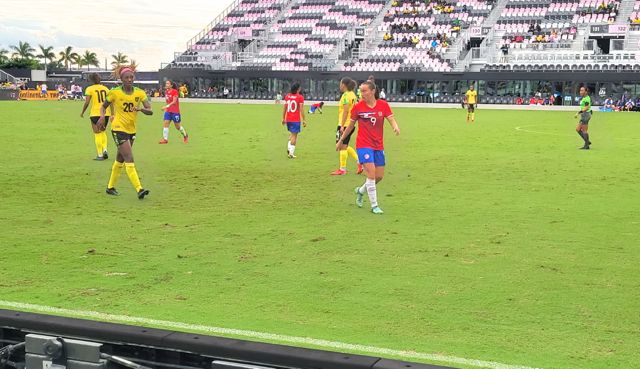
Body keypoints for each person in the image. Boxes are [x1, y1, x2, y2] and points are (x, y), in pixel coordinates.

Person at [336, 81, 400, 214]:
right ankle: (374, 205)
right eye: (360, 91)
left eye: (364, 90)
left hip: (378, 145)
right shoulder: (358, 107)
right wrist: (341, 140)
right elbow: (350, 126)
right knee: (371, 173)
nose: (361, 93)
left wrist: (395, 126)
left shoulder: (383, 105)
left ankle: (360, 191)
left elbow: (391, 118)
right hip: (363, 145)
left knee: (379, 176)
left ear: (372, 91)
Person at [98, 65, 153, 199]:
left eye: (131, 77)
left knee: (120, 159)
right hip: (118, 128)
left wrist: (141, 110)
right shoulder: (115, 92)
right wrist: (101, 117)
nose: (129, 79)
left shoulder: (139, 93)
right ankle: (139, 189)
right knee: (129, 158)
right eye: (126, 77)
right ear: (121, 79)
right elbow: (103, 106)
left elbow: (150, 110)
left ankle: (110, 187)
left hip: (131, 130)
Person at [331, 78, 362, 176]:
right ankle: (359, 161)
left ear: (344, 85)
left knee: (341, 146)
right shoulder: (353, 95)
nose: (340, 86)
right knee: (344, 146)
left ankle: (342, 169)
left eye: (340, 84)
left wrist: (342, 126)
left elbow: (345, 111)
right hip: (351, 124)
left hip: (344, 124)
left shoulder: (345, 96)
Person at [80, 73, 113, 160]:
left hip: (95, 113)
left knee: (97, 133)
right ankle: (105, 149)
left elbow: (87, 102)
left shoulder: (89, 89)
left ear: (91, 80)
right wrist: (112, 113)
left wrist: (82, 112)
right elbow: (110, 101)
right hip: (106, 113)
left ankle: (100, 154)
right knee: (103, 131)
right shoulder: (105, 89)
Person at [282, 83, 306, 159]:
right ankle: (291, 153)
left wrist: (283, 118)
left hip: (288, 119)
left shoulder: (287, 96)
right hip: (295, 119)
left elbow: (285, 107)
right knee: (294, 136)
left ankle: (289, 149)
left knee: (291, 134)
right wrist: (304, 120)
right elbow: (301, 109)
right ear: (298, 89)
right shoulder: (300, 97)